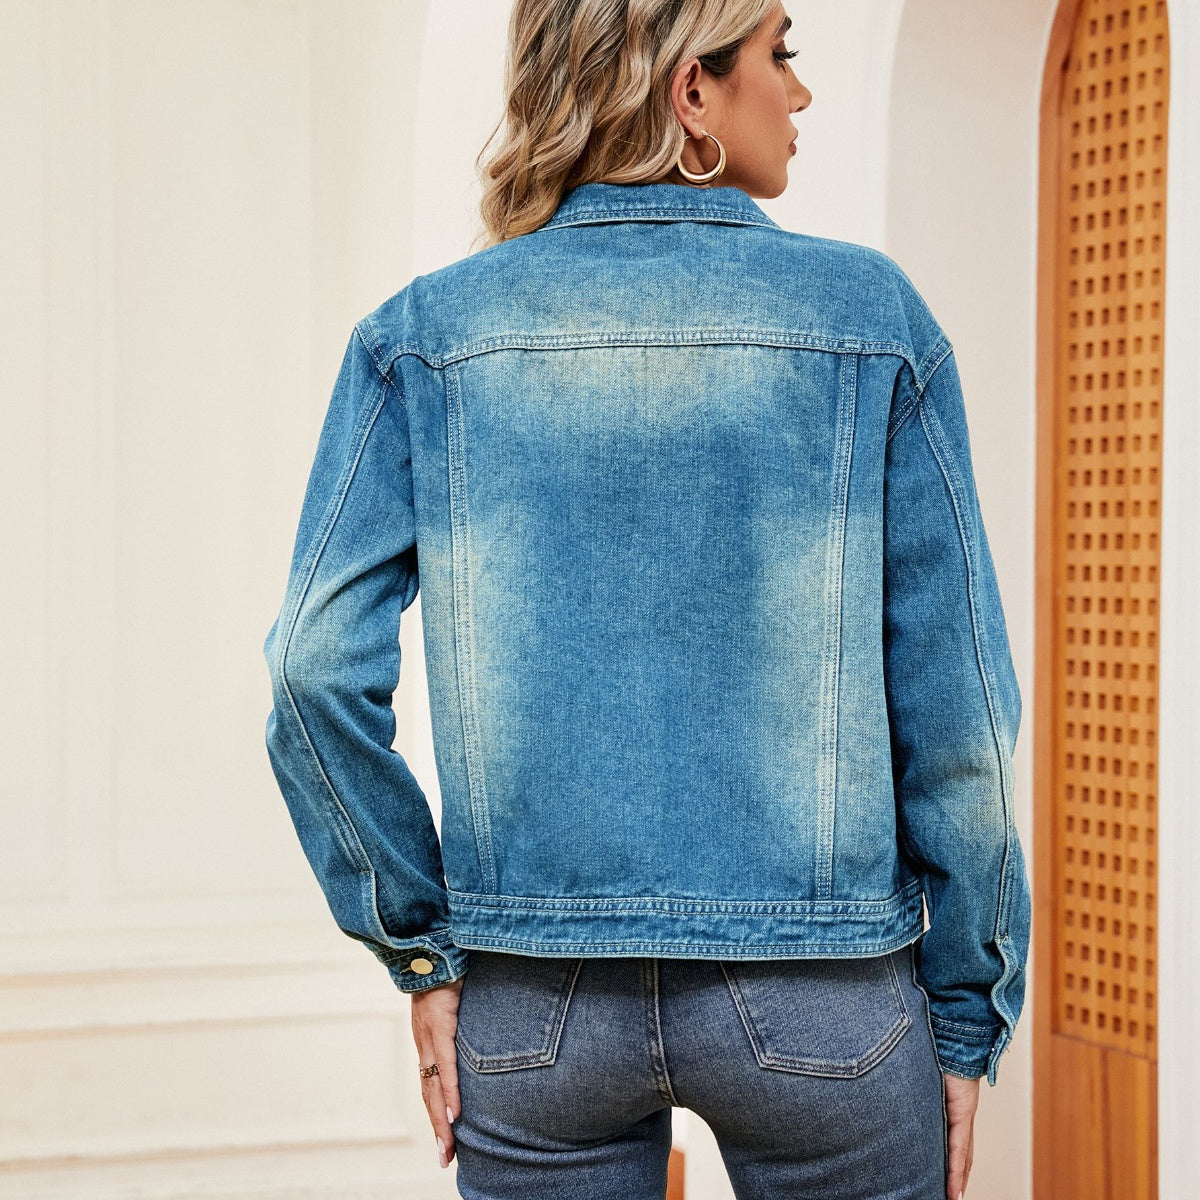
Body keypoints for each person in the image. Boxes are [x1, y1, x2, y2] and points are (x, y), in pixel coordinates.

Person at [261, 2, 1032, 1197]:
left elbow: (310, 672)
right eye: (780, 52)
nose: (799, 90)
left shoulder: (424, 337)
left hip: (536, 1011)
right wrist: (969, 1008)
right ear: (691, 91)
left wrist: (419, 945)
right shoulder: (871, 321)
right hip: (823, 1003)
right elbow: (962, 717)